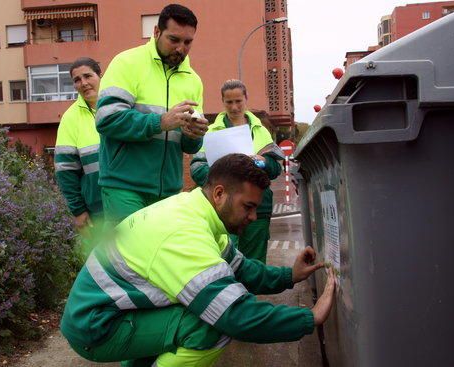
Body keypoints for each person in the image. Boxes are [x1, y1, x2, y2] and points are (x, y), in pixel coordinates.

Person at [61, 153, 336, 367]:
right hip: (96, 325)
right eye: (248, 207)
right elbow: (234, 315)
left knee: (195, 307)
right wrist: (308, 318)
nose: (253, 217)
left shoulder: (199, 212)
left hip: (114, 309)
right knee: (208, 326)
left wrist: (290, 275)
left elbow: (240, 269)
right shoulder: (184, 235)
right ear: (219, 193)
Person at [96, 4, 209, 225]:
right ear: (156, 32)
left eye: (188, 42)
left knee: (159, 258)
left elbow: (190, 147)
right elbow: (107, 119)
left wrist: (194, 135)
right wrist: (160, 122)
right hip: (124, 186)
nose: (180, 48)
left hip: (168, 192)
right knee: (129, 256)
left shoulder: (193, 80)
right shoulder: (127, 63)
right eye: (174, 40)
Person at [190, 79, 284, 263]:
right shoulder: (211, 132)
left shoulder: (261, 131)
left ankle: (250, 294)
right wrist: (225, 175)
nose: (234, 107)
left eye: (238, 101)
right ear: (222, 102)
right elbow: (197, 170)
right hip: (223, 209)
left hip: (258, 207)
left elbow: (275, 169)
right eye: (229, 102)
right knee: (224, 262)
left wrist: (263, 162)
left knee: (255, 264)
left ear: (246, 99)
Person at [54, 57, 103, 256]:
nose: (83, 83)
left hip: (129, 201)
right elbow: (65, 170)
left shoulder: (121, 107)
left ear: (101, 75)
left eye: (88, 76)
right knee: (103, 264)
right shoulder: (70, 118)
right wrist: (78, 211)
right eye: (77, 80)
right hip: (96, 211)